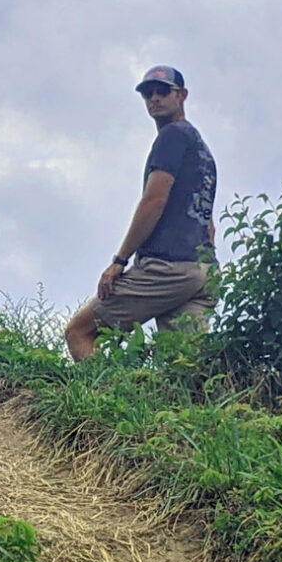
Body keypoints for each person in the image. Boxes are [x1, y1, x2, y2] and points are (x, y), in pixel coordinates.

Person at [65, 65, 217, 361]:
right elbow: (209, 224)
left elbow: (154, 201)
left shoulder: (172, 136)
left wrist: (119, 261)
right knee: (185, 368)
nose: (155, 99)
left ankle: (109, 404)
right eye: (148, 93)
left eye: (163, 91)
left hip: (166, 268)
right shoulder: (202, 150)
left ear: (182, 95)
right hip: (204, 273)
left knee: (80, 333)